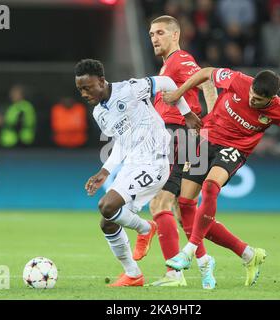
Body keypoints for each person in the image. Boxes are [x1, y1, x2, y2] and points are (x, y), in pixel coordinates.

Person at [163, 67, 280, 286]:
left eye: (258, 100)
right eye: (251, 94)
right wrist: (177, 93)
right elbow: (206, 73)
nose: (252, 99)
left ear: (271, 99)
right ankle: (248, 254)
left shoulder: (279, 109)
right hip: (206, 136)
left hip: (234, 148)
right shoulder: (238, 80)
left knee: (211, 187)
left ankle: (189, 250)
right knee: (185, 206)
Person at [75, 59, 201, 287]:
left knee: (106, 206)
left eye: (88, 87)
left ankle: (146, 228)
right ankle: (133, 274)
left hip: (155, 161)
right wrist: (105, 171)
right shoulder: (99, 114)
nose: (84, 93)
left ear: (101, 81)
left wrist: (187, 113)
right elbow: (122, 142)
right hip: (132, 164)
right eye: (80, 89)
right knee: (107, 222)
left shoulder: (130, 88)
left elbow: (168, 82)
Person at [146, 15, 219, 289]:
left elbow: (208, 81)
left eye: (160, 32)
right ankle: (205, 262)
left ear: (175, 35)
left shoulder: (180, 59)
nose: (154, 37)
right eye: (152, 33)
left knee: (159, 203)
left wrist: (213, 122)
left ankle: (174, 275)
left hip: (180, 136)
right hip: (182, 137)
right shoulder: (167, 66)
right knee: (182, 210)